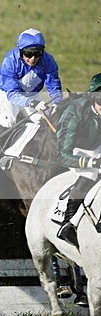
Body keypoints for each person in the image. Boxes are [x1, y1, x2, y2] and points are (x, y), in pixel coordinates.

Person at [0, 28, 64, 168]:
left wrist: (58, 103)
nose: (33, 58)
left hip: (32, 94)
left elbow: (55, 88)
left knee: (46, 121)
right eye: (28, 54)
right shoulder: (10, 60)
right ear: (20, 51)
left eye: (37, 53)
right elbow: (12, 94)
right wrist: (32, 103)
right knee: (8, 122)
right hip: (9, 95)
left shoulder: (48, 60)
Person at [54, 73, 101, 249]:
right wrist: (92, 163)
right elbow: (62, 154)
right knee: (91, 172)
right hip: (76, 151)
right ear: (93, 98)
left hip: (97, 147)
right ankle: (68, 223)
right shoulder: (75, 111)